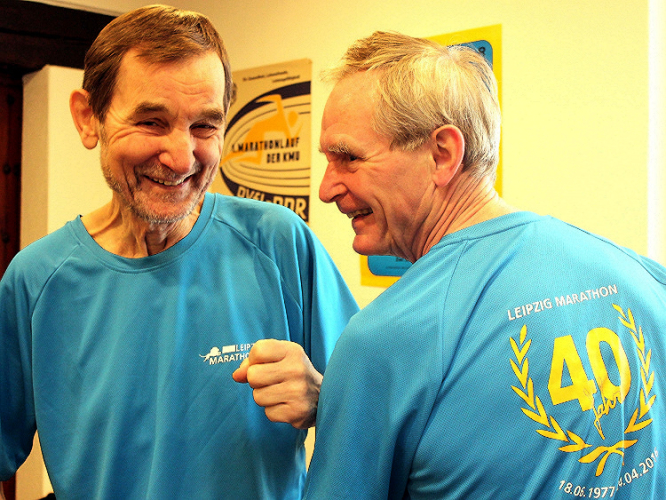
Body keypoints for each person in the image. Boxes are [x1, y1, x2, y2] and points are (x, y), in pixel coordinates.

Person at [0, 5, 358, 499]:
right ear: (88, 118)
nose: (181, 157)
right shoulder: (37, 281)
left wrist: (321, 398)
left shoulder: (279, 244)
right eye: (151, 122)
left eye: (205, 126)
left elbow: (374, 414)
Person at [304, 31, 665, 499]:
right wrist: (342, 401)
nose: (326, 189)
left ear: (442, 154)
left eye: (349, 158)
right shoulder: (643, 279)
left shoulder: (382, 343)